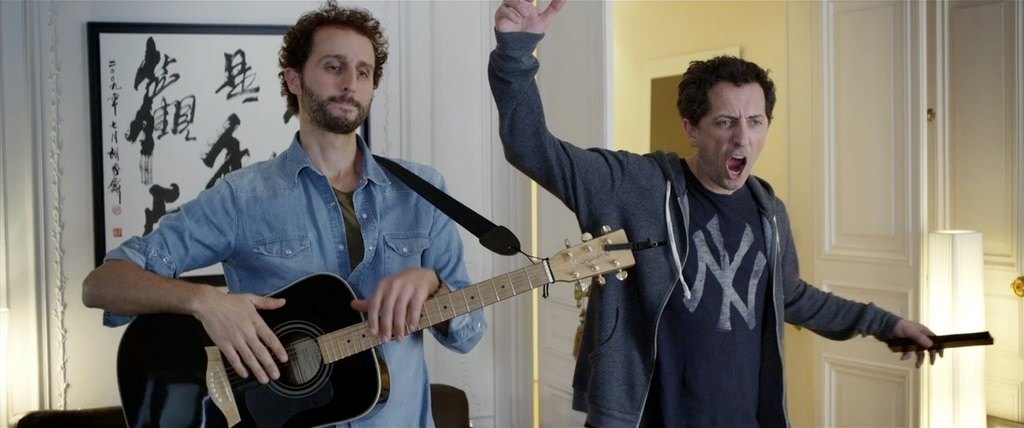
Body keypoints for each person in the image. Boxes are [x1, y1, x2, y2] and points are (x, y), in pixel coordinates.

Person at [488, 0, 942, 426]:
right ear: (692, 128)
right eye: (725, 122)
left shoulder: (770, 212)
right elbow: (532, 148)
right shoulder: (634, 185)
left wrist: (886, 324)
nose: (743, 138)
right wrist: (516, 53)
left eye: (755, 122)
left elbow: (792, 297)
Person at [82, 2, 485, 426]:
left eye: (364, 72)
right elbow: (101, 285)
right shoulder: (242, 198)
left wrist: (434, 285)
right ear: (294, 79)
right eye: (334, 66)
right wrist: (204, 302)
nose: (350, 83)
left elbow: (470, 332)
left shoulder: (422, 191)